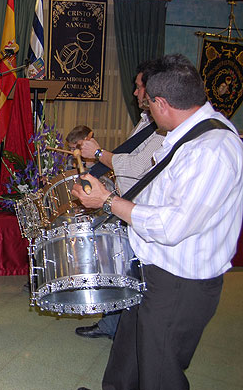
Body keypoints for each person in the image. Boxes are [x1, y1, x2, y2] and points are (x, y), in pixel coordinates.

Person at [72, 54, 243, 390]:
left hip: (179, 282)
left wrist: (107, 201)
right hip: (154, 270)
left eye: (148, 103)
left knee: (159, 371)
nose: (146, 109)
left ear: (162, 103)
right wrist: (112, 191)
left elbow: (170, 227)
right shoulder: (187, 134)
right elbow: (162, 194)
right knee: (129, 356)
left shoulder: (212, 149)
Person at [73, 60, 166, 340]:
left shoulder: (165, 127)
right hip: (127, 202)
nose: (136, 94)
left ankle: (122, 332)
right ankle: (110, 325)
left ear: (152, 91)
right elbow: (129, 157)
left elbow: (139, 166)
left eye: (139, 88)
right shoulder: (147, 121)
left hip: (141, 209)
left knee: (128, 272)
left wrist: (100, 154)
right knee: (117, 266)